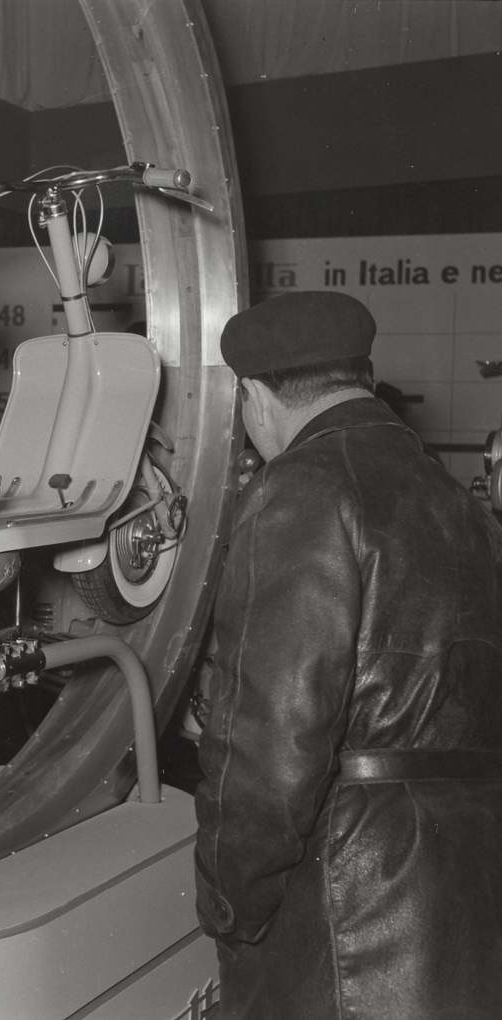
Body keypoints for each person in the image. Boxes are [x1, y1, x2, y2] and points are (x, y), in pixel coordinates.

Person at [194, 290, 502, 1019]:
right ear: (360, 378)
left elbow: (270, 739)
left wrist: (228, 902)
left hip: (350, 912)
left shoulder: (300, 490)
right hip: (463, 897)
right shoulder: (458, 504)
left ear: (254, 398)